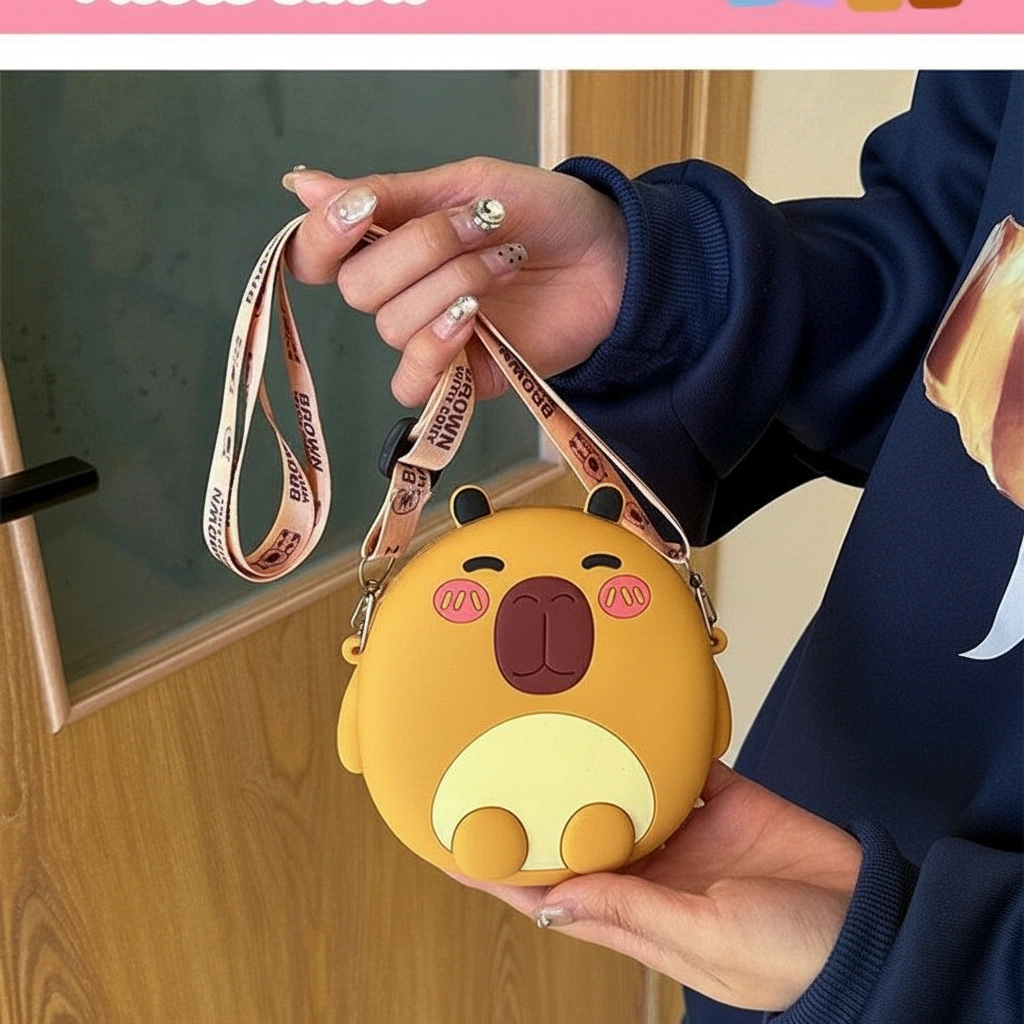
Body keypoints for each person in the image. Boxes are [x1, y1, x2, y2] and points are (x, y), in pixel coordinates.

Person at [282, 70, 1022, 1023]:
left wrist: (929, 974)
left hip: (868, 954)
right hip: (807, 865)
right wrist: (657, 289)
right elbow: (954, 280)